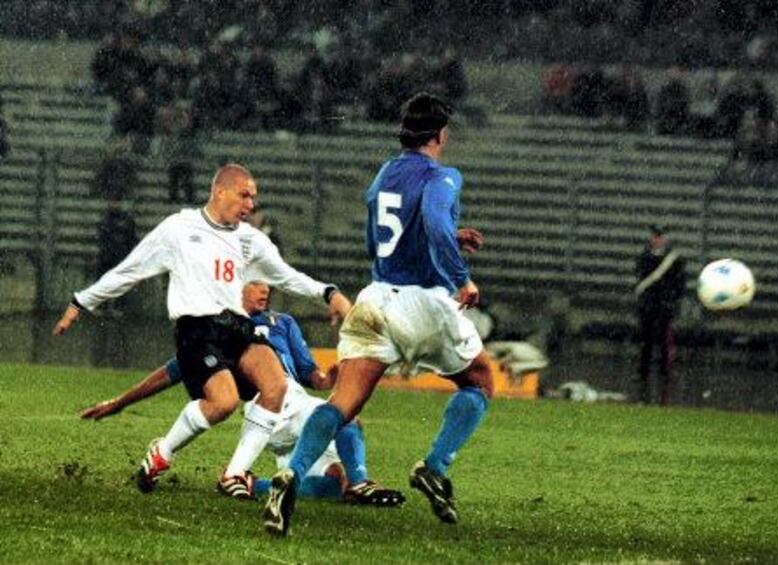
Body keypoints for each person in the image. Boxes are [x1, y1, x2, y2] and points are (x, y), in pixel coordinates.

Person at [263, 92, 494, 536]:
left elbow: (377, 239)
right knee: (480, 379)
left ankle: (291, 473)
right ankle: (435, 465)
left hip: (374, 297)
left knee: (343, 404)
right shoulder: (443, 176)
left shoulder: (386, 172)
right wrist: (461, 276)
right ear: (440, 134)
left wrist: (439, 237)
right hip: (421, 302)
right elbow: (433, 218)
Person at [53, 163, 352, 500]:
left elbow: (286, 275)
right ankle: (163, 452)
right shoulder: (179, 229)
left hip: (236, 327)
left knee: (276, 384)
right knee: (222, 403)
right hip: (196, 328)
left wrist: (329, 293)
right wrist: (81, 302)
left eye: (253, 198)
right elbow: (130, 270)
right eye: (244, 195)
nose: (250, 205)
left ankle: (234, 474)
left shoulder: (250, 239)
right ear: (219, 191)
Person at [81, 280, 404, 506]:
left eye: (267, 283)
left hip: (300, 404)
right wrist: (120, 403)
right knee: (347, 417)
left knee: (333, 484)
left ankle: (256, 484)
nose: (264, 289)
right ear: (235, 285)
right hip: (270, 409)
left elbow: (312, 377)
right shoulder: (221, 328)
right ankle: (361, 483)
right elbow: (171, 372)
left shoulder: (284, 322)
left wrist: (328, 376)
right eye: (254, 282)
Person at [634, 226, 687, 406]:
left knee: (665, 341)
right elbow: (641, 277)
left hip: (665, 305)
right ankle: (644, 373)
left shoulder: (675, 259)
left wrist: (671, 301)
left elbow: (680, 282)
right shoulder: (645, 256)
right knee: (646, 341)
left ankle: (666, 373)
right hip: (649, 305)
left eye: (660, 236)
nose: (657, 240)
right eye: (655, 236)